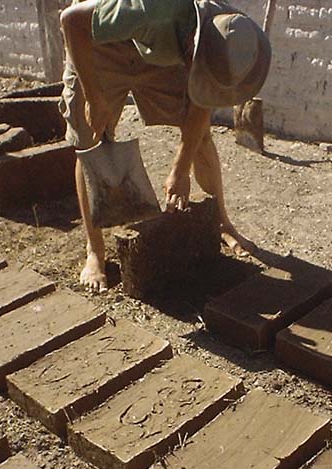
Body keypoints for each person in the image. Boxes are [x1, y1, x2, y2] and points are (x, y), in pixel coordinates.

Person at [59, 0, 271, 291]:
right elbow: (71, 21)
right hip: (97, 40)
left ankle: (221, 223)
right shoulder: (151, 7)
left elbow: (204, 96)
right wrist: (94, 98)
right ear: (192, 45)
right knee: (89, 141)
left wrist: (180, 169)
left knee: (200, 137)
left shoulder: (227, 28)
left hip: (158, 45)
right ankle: (95, 250)